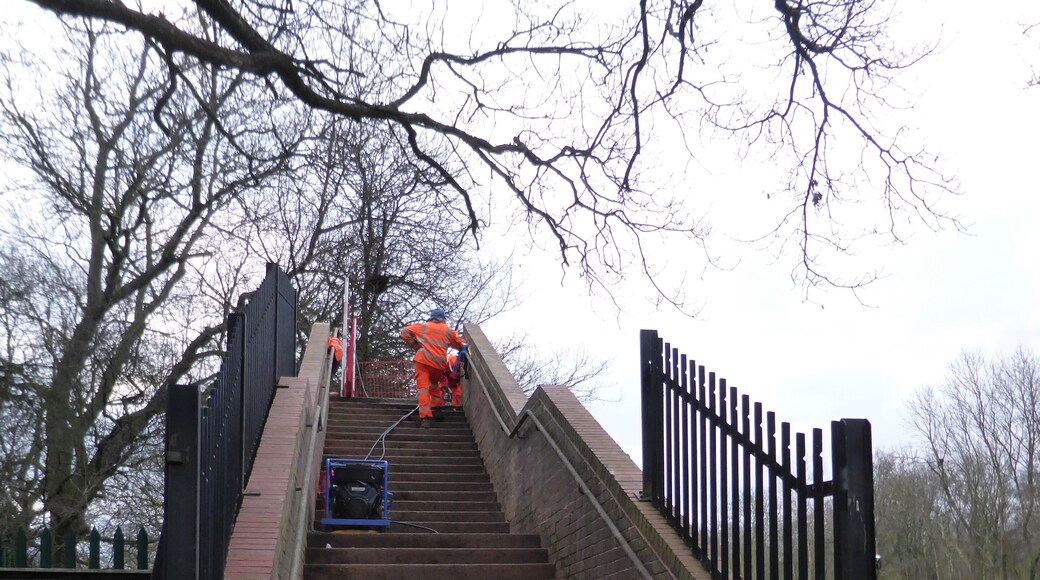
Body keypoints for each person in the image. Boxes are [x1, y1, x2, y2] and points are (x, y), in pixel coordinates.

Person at [400, 307, 465, 428]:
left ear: (432, 317)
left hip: (423, 361)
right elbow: (460, 344)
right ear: (443, 319)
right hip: (438, 365)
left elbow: (404, 332)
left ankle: (425, 417)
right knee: (434, 385)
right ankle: (437, 408)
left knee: (423, 388)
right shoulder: (448, 331)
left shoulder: (424, 327)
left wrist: (415, 346)